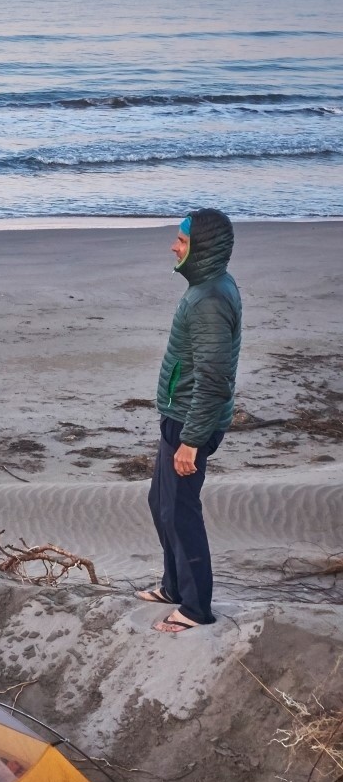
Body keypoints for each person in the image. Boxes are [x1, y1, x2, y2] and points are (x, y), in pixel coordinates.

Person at [140, 208, 242, 633]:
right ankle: (175, 586)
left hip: (191, 424)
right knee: (160, 503)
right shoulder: (205, 288)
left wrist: (192, 441)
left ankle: (196, 607)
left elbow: (214, 379)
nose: (173, 246)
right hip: (179, 416)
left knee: (181, 512)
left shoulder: (211, 300)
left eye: (181, 241)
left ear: (200, 247)